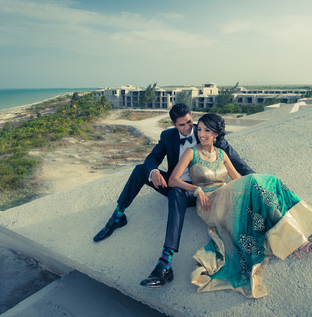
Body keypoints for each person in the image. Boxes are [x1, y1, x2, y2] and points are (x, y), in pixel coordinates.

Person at [168, 113, 312, 298]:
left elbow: (238, 179)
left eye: (207, 130)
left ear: (216, 133)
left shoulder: (221, 154)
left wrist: (256, 190)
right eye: (199, 129)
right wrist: (196, 189)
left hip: (228, 195)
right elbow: (173, 180)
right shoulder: (191, 152)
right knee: (258, 182)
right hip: (210, 203)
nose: (201, 133)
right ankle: (299, 239)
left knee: (272, 184)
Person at [93, 104, 254, 287]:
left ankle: (165, 263)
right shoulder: (167, 136)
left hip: (199, 192)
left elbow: (238, 164)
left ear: (192, 117)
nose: (188, 129)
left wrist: (257, 183)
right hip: (174, 181)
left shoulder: (207, 134)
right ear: (173, 124)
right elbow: (152, 158)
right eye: (181, 125)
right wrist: (154, 171)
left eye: (189, 122)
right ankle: (117, 217)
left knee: (177, 193)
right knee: (140, 170)